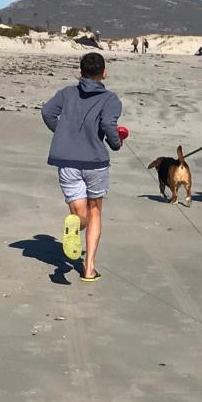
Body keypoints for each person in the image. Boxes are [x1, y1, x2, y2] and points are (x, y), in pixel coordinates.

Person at [41, 52, 123, 282]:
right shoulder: (110, 99)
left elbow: (47, 112)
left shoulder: (66, 93)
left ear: (80, 72)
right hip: (95, 162)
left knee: (79, 213)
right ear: (104, 73)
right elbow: (108, 124)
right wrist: (116, 143)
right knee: (95, 210)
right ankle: (88, 268)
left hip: (67, 161)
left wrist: (62, 133)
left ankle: (75, 229)